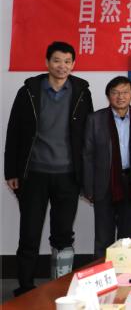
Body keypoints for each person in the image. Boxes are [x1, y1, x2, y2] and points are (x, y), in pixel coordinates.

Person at [4, 41, 93, 296]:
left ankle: (61, 287)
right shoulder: (29, 91)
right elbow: (14, 131)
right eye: (56, 60)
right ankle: (25, 287)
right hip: (34, 174)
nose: (62, 66)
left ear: (73, 64)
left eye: (67, 61)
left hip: (68, 175)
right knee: (29, 234)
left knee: (63, 235)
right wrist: (11, 171)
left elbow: (87, 137)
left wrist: (86, 177)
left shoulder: (81, 92)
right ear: (47, 62)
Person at [83, 76, 131, 258]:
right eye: (115, 92)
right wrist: (88, 188)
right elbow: (87, 155)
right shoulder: (95, 119)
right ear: (108, 96)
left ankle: (125, 273)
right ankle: (101, 272)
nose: (120, 97)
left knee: (128, 238)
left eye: (125, 92)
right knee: (103, 237)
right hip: (104, 184)